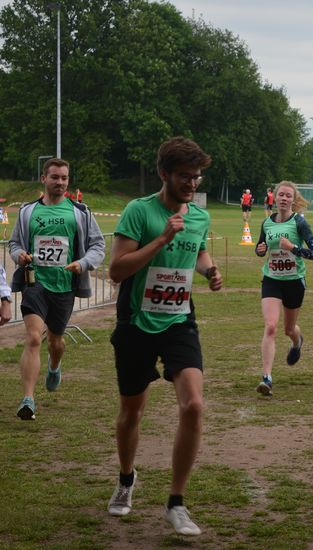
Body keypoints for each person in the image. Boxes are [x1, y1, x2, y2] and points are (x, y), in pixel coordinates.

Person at [106, 137, 222, 536]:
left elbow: (199, 251)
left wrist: (209, 270)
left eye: (196, 177)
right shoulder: (140, 212)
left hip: (179, 321)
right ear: (164, 174)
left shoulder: (198, 217)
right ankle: (125, 480)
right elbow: (116, 271)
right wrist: (161, 240)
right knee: (132, 413)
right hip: (136, 324)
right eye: (184, 177)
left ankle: (176, 502)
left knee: (193, 406)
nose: (192, 184)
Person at [8, 158, 105, 420]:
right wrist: (19, 256)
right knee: (32, 337)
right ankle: (28, 399)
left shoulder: (80, 212)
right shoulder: (28, 211)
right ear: (44, 179)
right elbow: (14, 243)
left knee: (55, 341)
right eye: (55, 177)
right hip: (35, 282)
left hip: (64, 286)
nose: (60, 182)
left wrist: (82, 263)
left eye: (64, 178)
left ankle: (54, 365)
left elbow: (98, 246)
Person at [254, 181, 313, 396]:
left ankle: (297, 341)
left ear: (293, 200)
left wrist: (293, 248)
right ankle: (266, 378)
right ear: (274, 197)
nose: (283, 198)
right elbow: (260, 248)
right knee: (271, 326)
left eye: (288, 196)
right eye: (280, 195)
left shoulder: (299, 223)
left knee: (288, 329)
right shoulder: (266, 223)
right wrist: (260, 249)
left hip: (294, 281)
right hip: (272, 279)